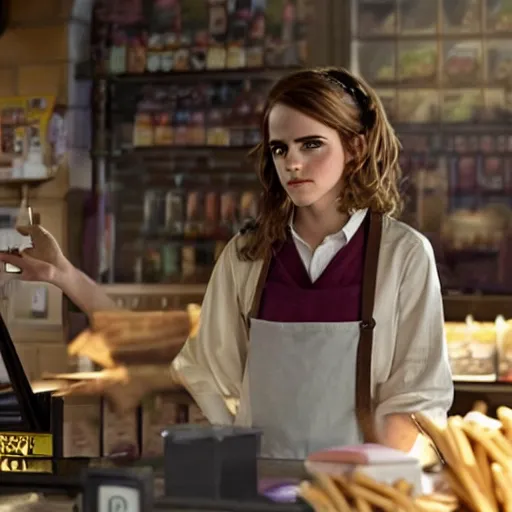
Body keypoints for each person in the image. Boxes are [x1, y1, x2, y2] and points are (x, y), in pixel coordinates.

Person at [0, 67, 453, 461]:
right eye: (280, 148)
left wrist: (365, 476)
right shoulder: (248, 254)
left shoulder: (403, 255)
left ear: (354, 148)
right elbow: (191, 362)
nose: (293, 162)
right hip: (261, 481)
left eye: (311, 144)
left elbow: (416, 392)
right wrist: (67, 277)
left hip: (360, 492)